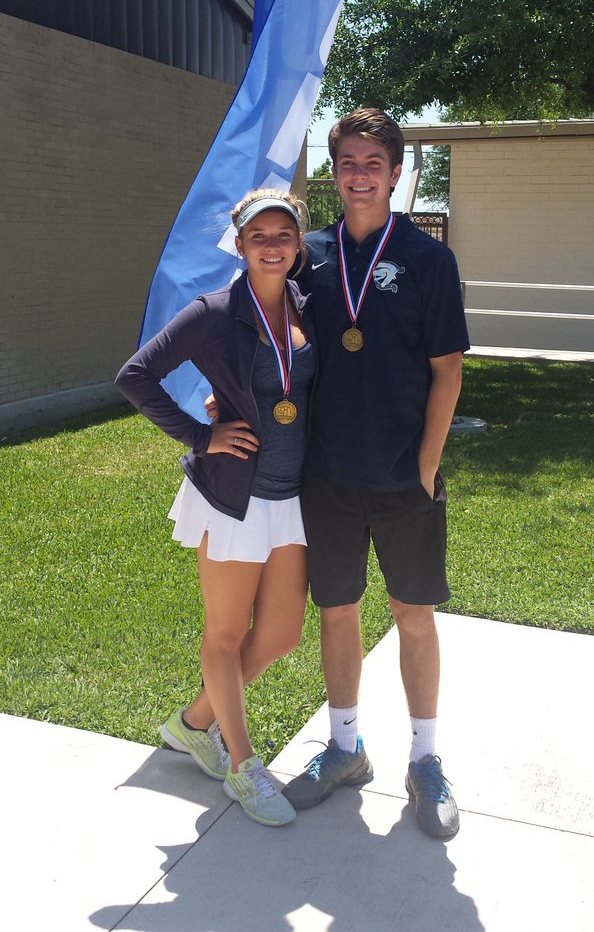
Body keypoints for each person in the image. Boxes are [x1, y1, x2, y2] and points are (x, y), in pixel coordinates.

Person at [186, 108, 470, 839]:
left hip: (404, 475)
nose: (360, 174)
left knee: (413, 614)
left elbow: (447, 370)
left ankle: (426, 760)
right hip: (325, 476)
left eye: (374, 162)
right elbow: (263, 334)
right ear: (334, 172)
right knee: (338, 611)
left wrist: (427, 465)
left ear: (396, 172)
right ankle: (346, 748)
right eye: (348, 162)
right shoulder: (308, 255)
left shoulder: (428, 260)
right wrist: (230, 397)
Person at [115, 189, 315, 828]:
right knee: (226, 634)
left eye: (283, 234)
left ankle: (196, 722)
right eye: (259, 236)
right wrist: (202, 436)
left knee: (282, 633)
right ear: (241, 244)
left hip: (293, 497)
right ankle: (242, 766)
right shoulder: (215, 312)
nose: (272, 246)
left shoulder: (306, 305)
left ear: (298, 243)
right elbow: (135, 376)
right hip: (234, 498)